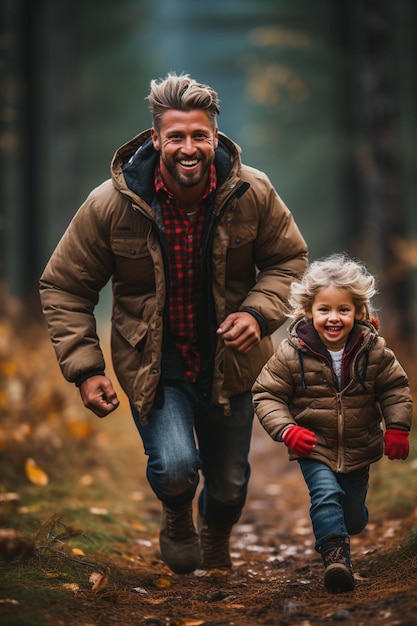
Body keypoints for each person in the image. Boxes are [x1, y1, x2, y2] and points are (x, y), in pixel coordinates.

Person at [39, 72, 308, 575]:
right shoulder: (110, 204)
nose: (189, 148)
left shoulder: (253, 192)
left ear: (215, 136)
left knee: (229, 484)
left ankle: (215, 533)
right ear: (156, 137)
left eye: (199, 136)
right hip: (153, 364)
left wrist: (257, 312)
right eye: (177, 136)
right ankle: (177, 515)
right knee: (177, 466)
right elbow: (65, 286)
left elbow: (289, 262)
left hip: (233, 364)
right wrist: (86, 369)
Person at [252, 253, 413, 593]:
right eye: (324, 309)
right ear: (309, 312)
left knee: (353, 516)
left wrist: (398, 428)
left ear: (359, 312)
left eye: (343, 310)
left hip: (360, 444)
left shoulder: (374, 351)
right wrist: (287, 429)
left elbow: (395, 389)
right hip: (314, 444)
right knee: (325, 496)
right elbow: (266, 395)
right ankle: (336, 559)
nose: (333, 318)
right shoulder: (291, 352)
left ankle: (346, 526)